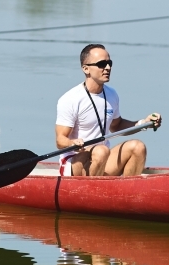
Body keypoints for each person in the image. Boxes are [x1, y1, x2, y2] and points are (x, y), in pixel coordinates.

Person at [55, 44, 161, 177]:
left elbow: (117, 126)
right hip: (75, 161)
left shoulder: (112, 94)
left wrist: (144, 123)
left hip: (102, 157)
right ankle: (91, 194)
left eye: (109, 63)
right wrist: (72, 143)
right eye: (102, 64)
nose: (108, 68)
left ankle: (126, 193)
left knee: (138, 147)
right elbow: (60, 141)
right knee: (101, 151)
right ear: (86, 69)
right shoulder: (70, 99)